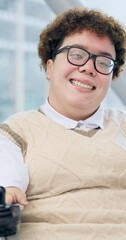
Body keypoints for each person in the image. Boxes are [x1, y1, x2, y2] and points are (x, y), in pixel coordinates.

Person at [0, 7, 126, 240]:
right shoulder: (15, 132)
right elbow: (7, 184)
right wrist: (8, 192)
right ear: (50, 67)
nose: (89, 67)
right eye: (77, 54)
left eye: (104, 61)